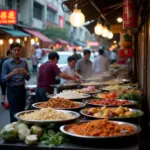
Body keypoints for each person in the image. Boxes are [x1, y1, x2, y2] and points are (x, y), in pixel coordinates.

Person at [1, 42, 30, 122]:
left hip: (22, 89)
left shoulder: (24, 62)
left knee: (22, 112)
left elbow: (28, 77)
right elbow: (2, 79)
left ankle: (22, 130)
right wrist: (12, 73)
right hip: (11, 90)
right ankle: (14, 131)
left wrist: (25, 72)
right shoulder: (6, 63)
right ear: (11, 51)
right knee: (14, 113)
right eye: (15, 50)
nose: (17, 52)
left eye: (18, 50)